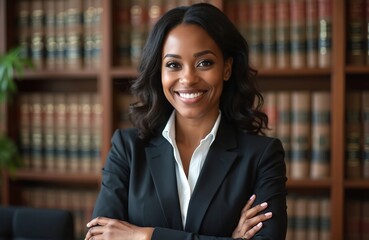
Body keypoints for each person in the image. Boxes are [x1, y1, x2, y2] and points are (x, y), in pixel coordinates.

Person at [85, 3, 287, 240]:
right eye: (173, 65)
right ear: (159, 72)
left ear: (227, 68)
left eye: (204, 63)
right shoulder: (127, 148)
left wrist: (144, 236)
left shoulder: (262, 156)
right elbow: (99, 237)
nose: (188, 78)